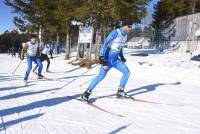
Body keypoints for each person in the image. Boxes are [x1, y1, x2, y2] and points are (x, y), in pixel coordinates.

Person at [81, 21, 133, 101]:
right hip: (107, 59)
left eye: (131, 26)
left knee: (127, 72)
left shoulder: (125, 36)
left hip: (115, 60)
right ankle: (86, 93)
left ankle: (120, 91)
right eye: (129, 26)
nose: (130, 28)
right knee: (101, 76)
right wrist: (101, 56)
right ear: (124, 26)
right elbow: (105, 43)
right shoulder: (115, 32)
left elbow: (120, 46)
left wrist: (121, 56)